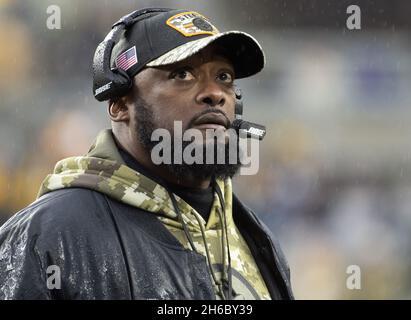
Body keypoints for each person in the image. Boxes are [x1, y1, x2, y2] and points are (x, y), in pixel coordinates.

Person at [0, 8, 293, 300]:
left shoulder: (254, 236)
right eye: (182, 74)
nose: (215, 93)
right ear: (119, 103)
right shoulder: (48, 237)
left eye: (224, 76)